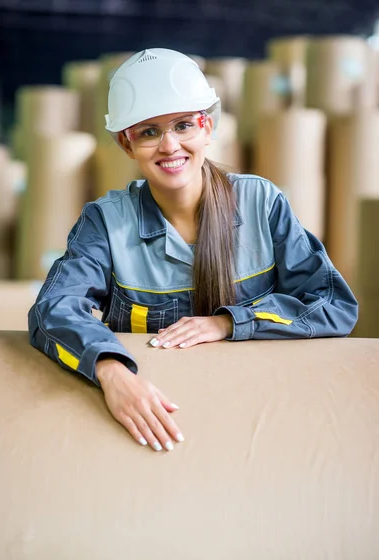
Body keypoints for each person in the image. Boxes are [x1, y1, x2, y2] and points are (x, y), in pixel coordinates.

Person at [28, 48, 358, 453]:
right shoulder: (106, 222)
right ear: (126, 144)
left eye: (183, 125)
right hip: (154, 432)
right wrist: (111, 371)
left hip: (256, 426)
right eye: (148, 131)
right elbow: (54, 308)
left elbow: (333, 304)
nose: (169, 146)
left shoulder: (260, 203)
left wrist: (228, 323)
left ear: (207, 127)